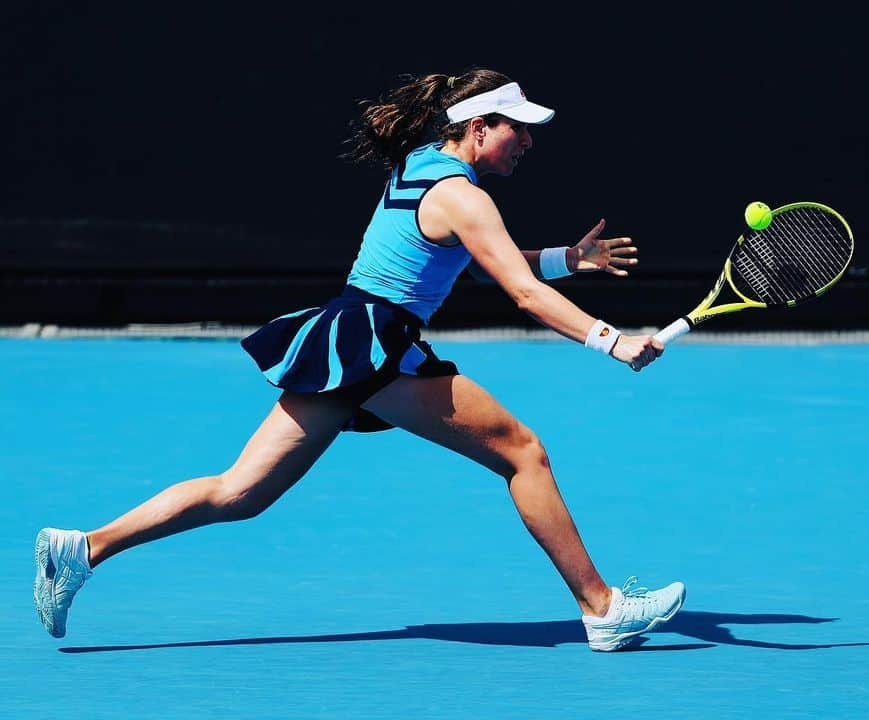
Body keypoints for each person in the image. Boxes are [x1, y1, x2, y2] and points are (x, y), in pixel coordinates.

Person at [33, 68, 684, 652]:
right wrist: (611, 339)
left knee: (240, 492)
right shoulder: (466, 198)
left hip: (344, 337)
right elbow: (518, 289)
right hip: (378, 346)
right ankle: (602, 608)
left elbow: (485, 266)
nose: (528, 142)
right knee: (523, 452)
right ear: (480, 127)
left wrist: (570, 260)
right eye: (518, 130)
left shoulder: (422, 163)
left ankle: (82, 550)